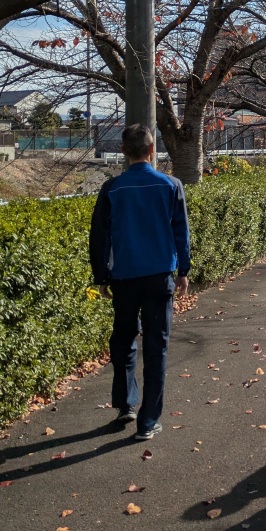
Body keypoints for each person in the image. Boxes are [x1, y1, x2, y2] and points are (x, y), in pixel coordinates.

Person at [89, 124, 191, 440]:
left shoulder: (112, 189)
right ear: (152, 150)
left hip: (124, 277)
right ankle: (148, 421)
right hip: (160, 276)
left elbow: (100, 236)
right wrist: (184, 270)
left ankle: (126, 403)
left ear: (123, 152)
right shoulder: (171, 185)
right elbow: (181, 232)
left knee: (123, 339)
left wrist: (100, 276)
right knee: (157, 345)